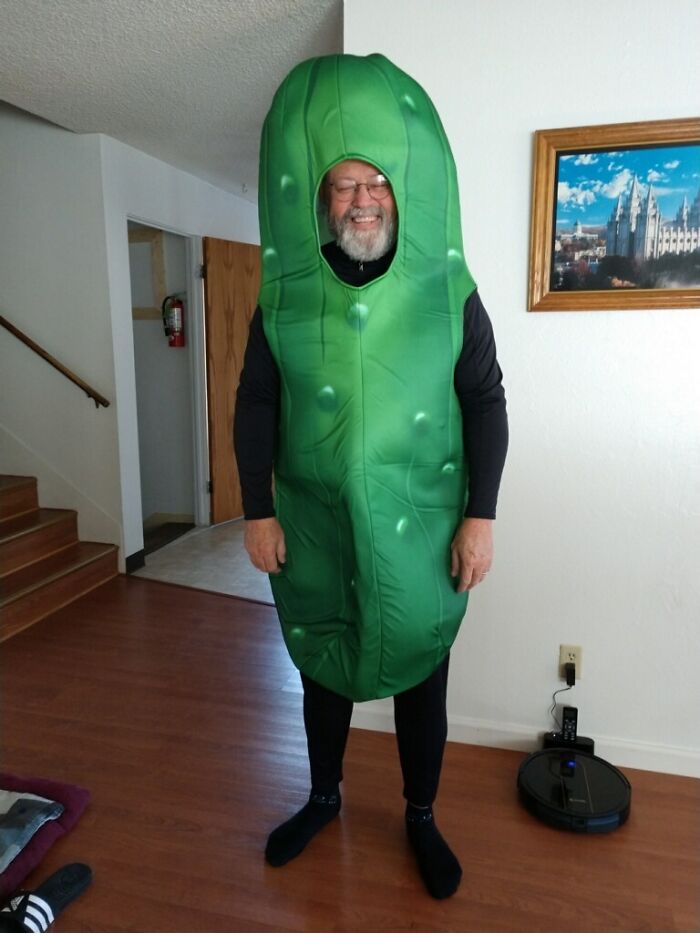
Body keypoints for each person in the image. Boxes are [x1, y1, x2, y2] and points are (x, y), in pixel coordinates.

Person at [234, 54, 507, 900]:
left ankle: (420, 814)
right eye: (343, 185)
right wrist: (255, 509)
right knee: (324, 658)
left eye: (375, 184)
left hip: (422, 522)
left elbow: (487, 402)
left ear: (401, 195)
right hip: (313, 520)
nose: (360, 200)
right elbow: (255, 403)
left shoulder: (449, 293)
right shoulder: (284, 297)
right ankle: (322, 797)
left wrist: (481, 517)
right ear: (321, 199)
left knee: (421, 663)